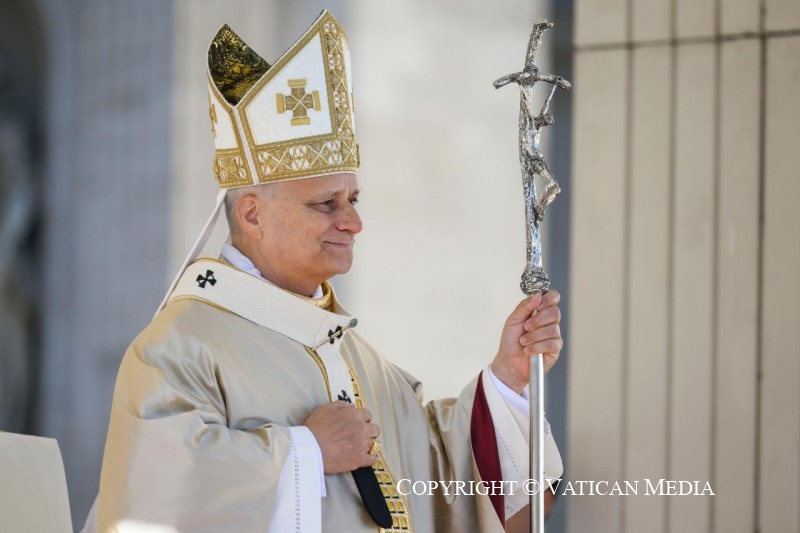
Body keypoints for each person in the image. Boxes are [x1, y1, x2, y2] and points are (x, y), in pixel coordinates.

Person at [91, 10, 563, 532]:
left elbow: (440, 472)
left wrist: (508, 381)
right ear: (252, 213)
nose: (354, 222)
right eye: (327, 204)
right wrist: (306, 451)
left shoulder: (354, 358)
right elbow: (155, 501)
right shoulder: (180, 348)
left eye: (353, 199)